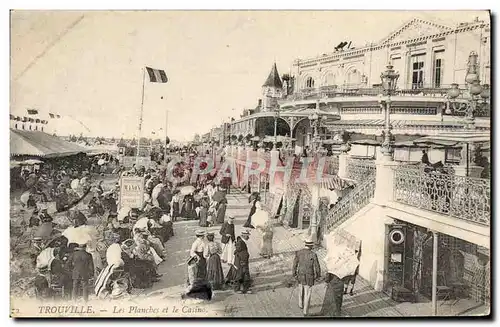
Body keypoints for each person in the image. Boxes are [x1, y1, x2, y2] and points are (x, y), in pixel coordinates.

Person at [292, 239, 321, 316]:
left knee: (301, 289)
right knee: (307, 293)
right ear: (311, 246)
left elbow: (295, 264)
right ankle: (305, 311)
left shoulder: (299, 252)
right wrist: (318, 276)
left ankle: (300, 304)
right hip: (309, 276)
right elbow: (317, 266)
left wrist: (294, 273)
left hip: (300, 274)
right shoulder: (313, 254)